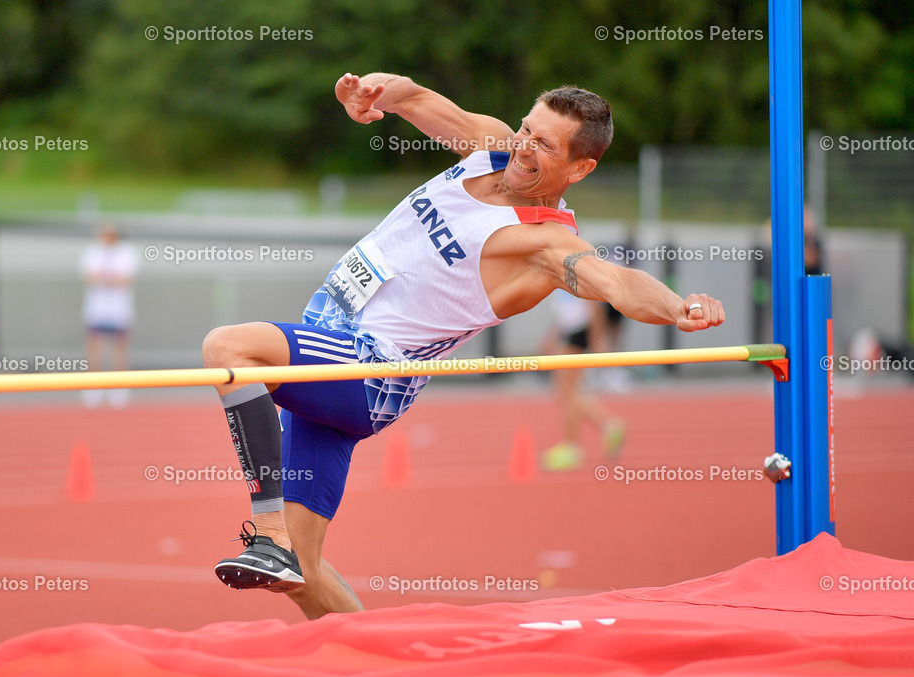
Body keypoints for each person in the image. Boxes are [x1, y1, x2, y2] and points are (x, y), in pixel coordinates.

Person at [204, 72, 725, 619]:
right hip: (329, 349)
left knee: (230, 348)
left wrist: (678, 307)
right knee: (302, 572)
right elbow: (415, 97)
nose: (524, 146)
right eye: (526, 129)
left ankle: (268, 534)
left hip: (370, 371)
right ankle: (374, 654)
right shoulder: (490, 149)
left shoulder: (545, 243)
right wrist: (370, 94)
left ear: (580, 168)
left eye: (545, 145)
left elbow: (616, 282)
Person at [540, 290, 626, 470]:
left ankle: (572, 447)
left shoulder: (573, 277)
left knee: (567, 393)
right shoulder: (557, 280)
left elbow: (594, 307)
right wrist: (552, 336)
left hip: (578, 334)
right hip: (572, 333)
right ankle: (608, 426)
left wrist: (597, 341)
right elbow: (565, 313)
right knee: (568, 392)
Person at [79, 224, 139, 408]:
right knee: (94, 348)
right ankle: (93, 387)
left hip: (119, 310)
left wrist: (106, 278)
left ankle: (118, 387)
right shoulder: (92, 252)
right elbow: (89, 276)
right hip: (97, 309)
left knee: (119, 349)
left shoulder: (127, 253)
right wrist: (108, 278)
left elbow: (126, 278)